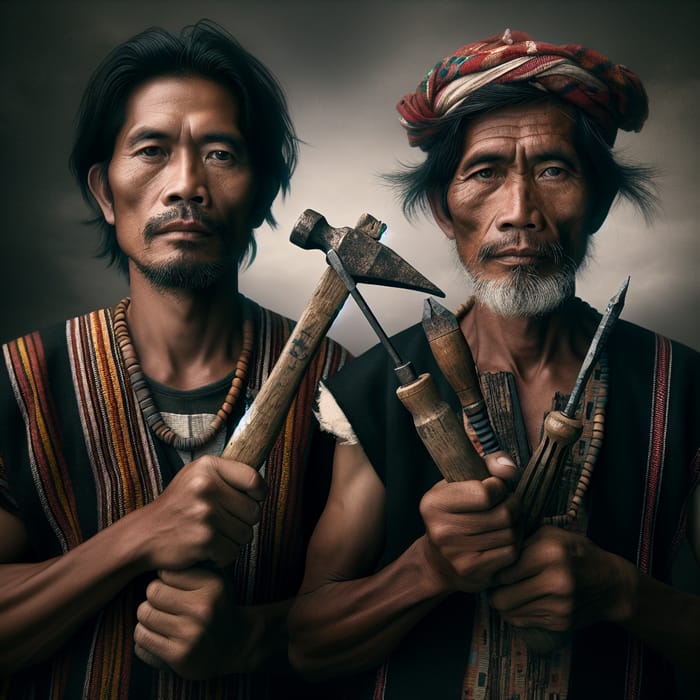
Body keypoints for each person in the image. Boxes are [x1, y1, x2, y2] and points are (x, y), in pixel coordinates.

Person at [288, 29, 700, 699]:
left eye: (554, 170)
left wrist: (624, 594)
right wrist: (426, 569)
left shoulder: (682, 387)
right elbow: (307, 647)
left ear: (596, 202)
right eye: (484, 173)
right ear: (443, 211)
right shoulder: (368, 392)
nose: (518, 214)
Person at [0, 19, 348, 699]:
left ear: (260, 196)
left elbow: (373, 618)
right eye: (152, 150)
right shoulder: (21, 382)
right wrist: (139, 535)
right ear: (105, 191)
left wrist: (248, 638)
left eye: (220, 153)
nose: (186, 182)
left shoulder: (337, 385)